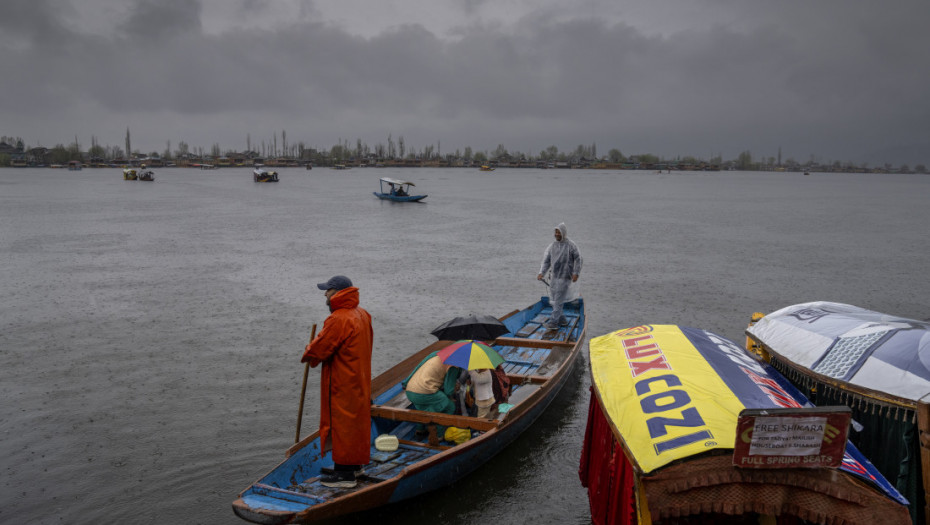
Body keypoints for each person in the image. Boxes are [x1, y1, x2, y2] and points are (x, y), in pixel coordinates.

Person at [301, 275, 373, 489]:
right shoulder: (363, 314)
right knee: (356, 422)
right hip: (358, 378)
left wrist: (308, 349)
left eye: (327, 290)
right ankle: (355, 466)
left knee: (342, 424)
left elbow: (318, 351)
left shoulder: (338, 318)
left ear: (338, 292)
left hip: (342, 382)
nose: (325, 294)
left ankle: (344, 475)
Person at [402, 352, 463, 435]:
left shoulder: (436, 353)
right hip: (424, 393)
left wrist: (405, 383)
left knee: (423, 409)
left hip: (410, 391)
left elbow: (418, 367)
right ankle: (439, 434)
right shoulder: (454, 365)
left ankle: (420, 430)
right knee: (449, 407)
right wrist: (454, 390)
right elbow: (448, 390)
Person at [537, 223, 582, 329]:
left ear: (563, 233)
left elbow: (578, 259)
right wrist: (541, 273)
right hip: (554, 277)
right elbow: (547, 261)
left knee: (558, 301)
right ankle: (563, 320)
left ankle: (553, 323)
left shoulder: (571, 245)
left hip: (565, 278)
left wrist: (576, 273)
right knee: (554, 300)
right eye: (555, 232)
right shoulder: (553, 246)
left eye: (559, 232)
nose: (556, 234)